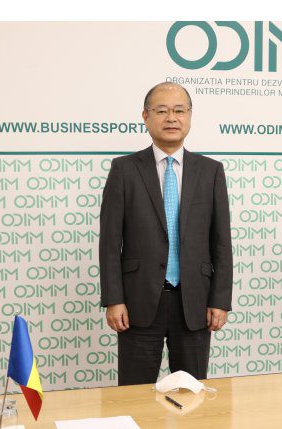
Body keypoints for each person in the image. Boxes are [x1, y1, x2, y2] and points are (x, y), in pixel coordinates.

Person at [99, 82, 233, 385]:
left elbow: (221, 242)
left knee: (191, 393)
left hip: (194, 304)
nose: (171, 118)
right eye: (161, 111)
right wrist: (114, 299)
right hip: (137, 303)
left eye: (179, 110)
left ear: (190, 116)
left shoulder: (211, 171)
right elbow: (109, 242)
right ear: (145, 117)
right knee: (134, 395)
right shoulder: (124, 170)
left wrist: (220, 300)